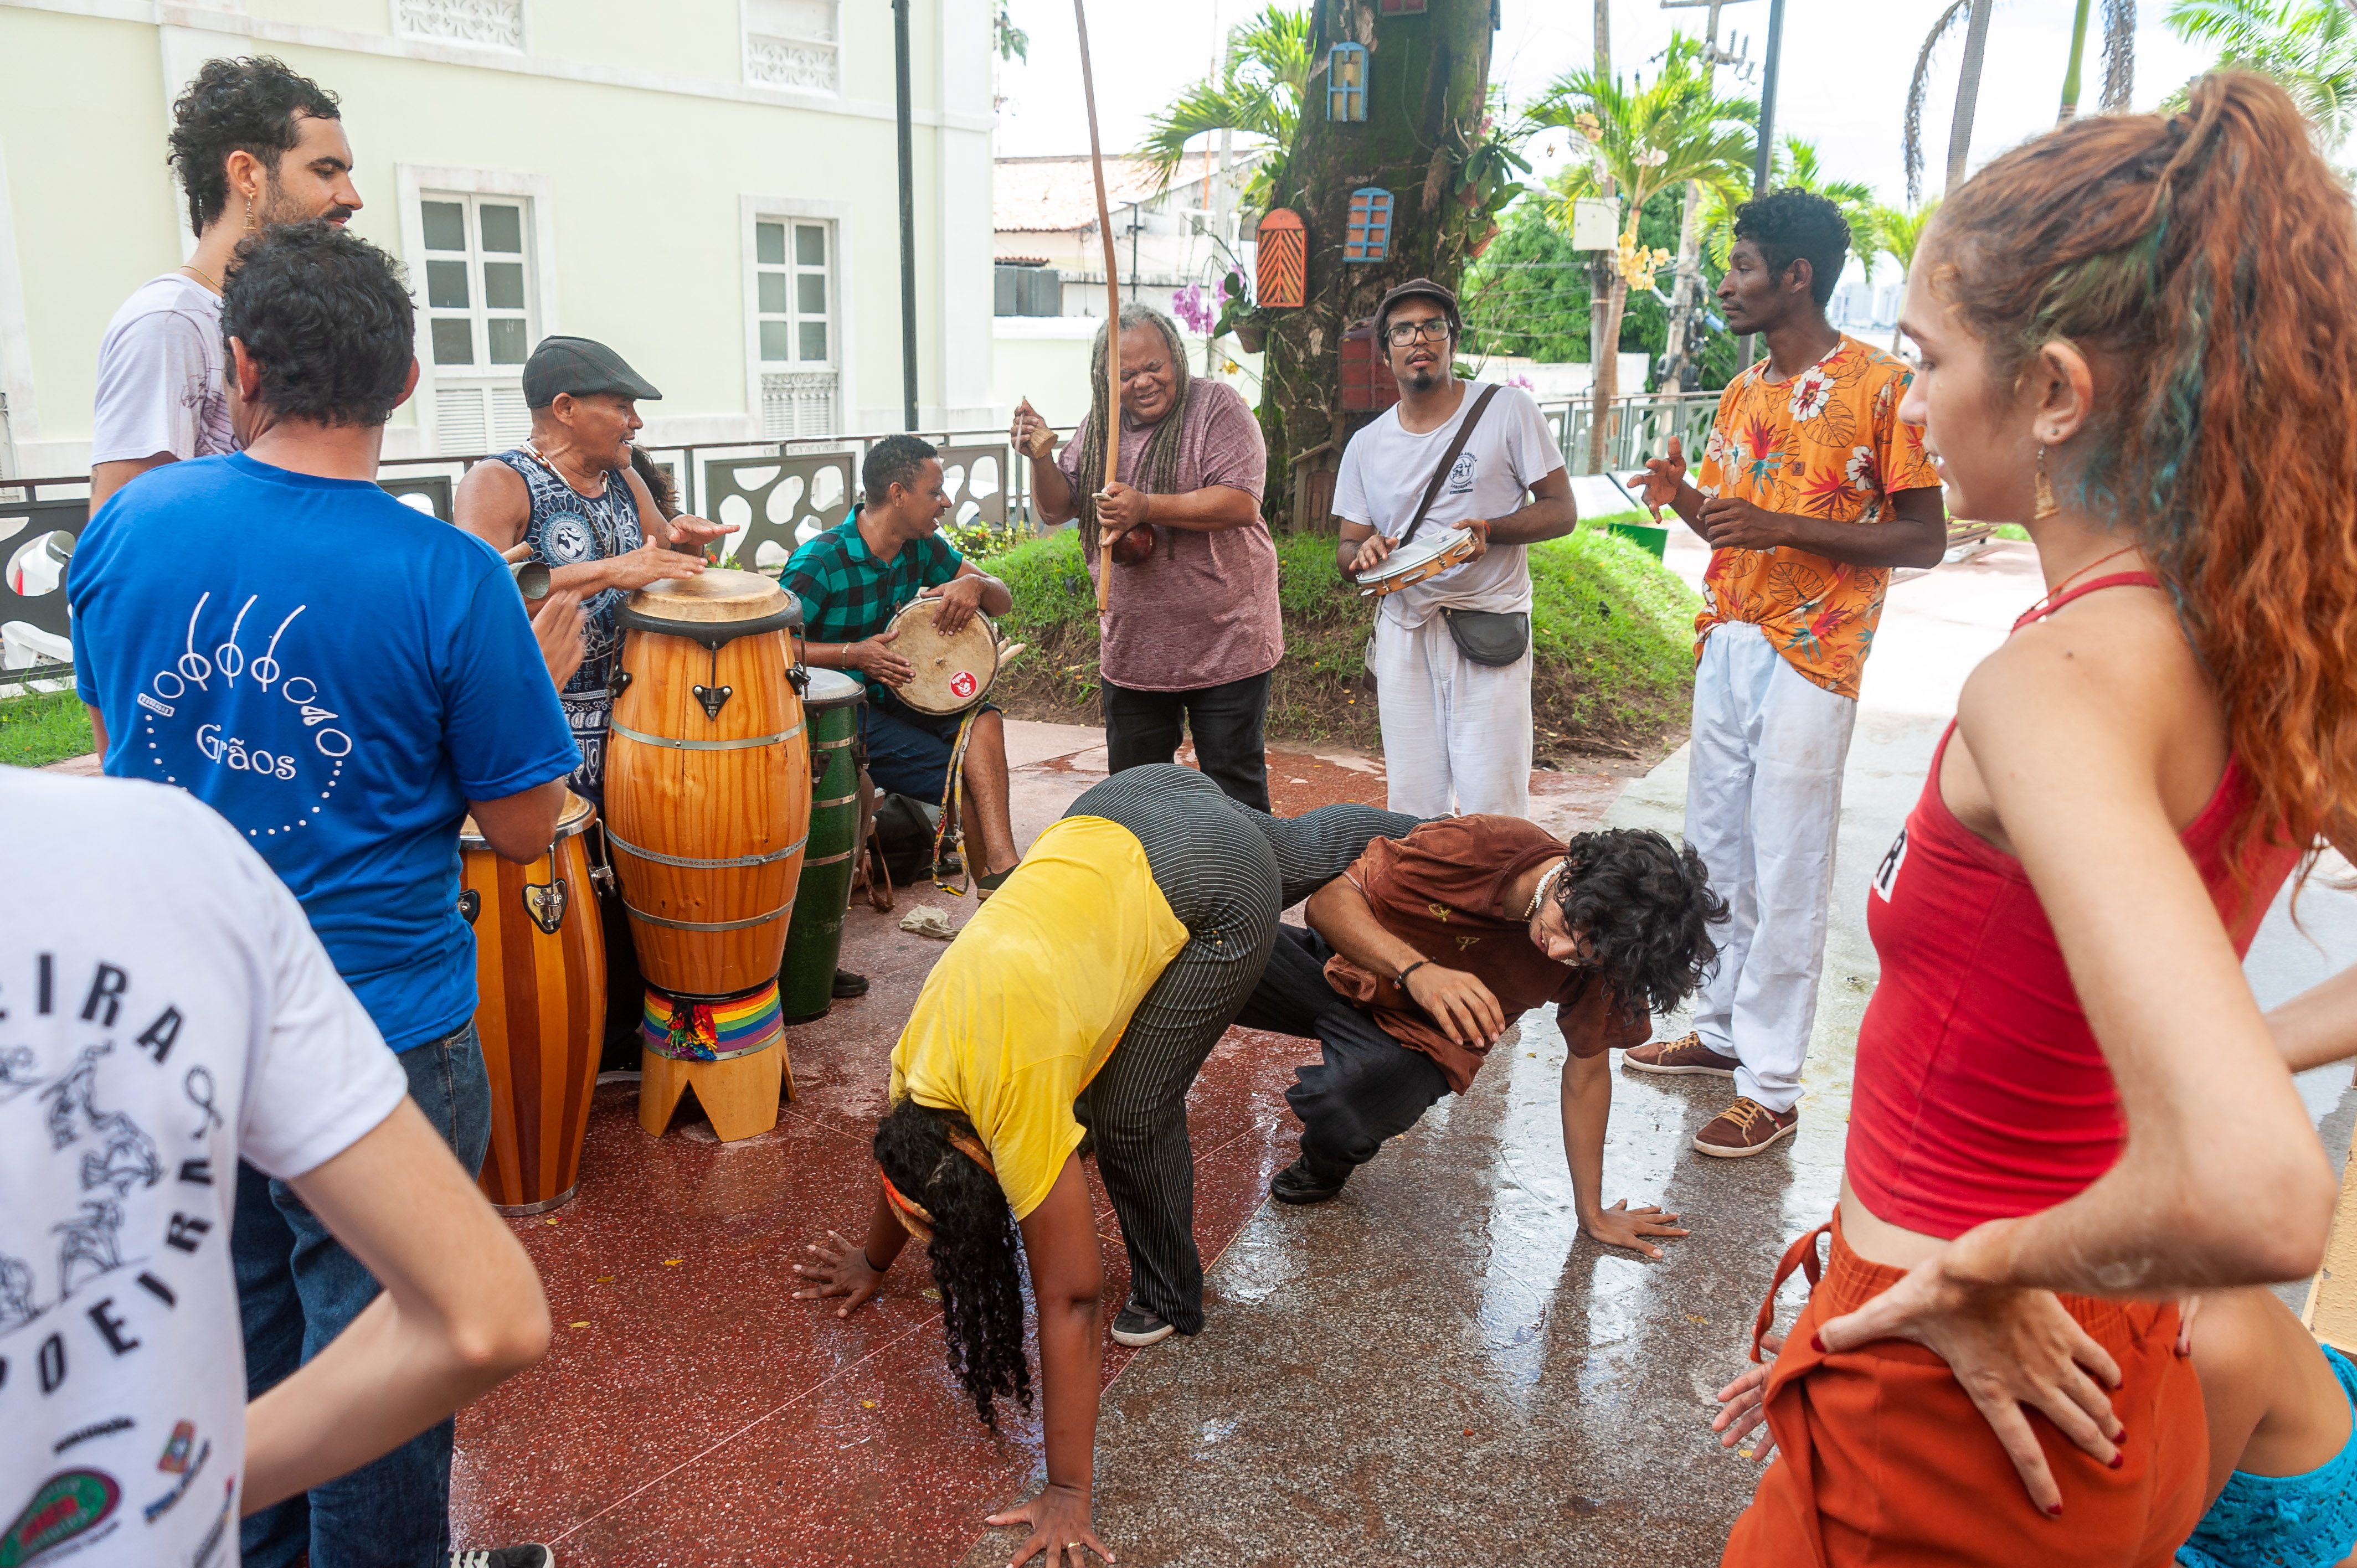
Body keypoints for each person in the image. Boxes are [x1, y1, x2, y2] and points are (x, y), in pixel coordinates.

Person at [1707, 74, 2357, 1566]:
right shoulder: (2259, 641)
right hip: (2086, 1350)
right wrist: (2240, 1049)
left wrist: (1983, 1265)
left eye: (1928, 358)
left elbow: (2260, 1192)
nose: (1913, 398)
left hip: (1955, 1400)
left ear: (2055, 391)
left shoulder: (2057, 686)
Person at [65, 221, 581, 1568]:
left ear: (242, 367)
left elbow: (124, 742)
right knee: (383, 1366)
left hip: (178, 1021)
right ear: (406, 381)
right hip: (381, 1032)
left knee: (235, 1342)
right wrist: (528, 672)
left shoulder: (128, 531)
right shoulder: (452, 576)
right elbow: (526, 828)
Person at [790, 765, 1411, 1567]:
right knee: (1301, 842)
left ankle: (1172, 1292)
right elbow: (910, 1169)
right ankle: (1455, 835)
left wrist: (1066, 1490)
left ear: (995, 1167)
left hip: (1214, 884)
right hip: (1127, 804)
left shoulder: (1015, 1108)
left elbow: (1074, 1299)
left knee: (1129, 1111)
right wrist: (873, 1262)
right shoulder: (918, 1063)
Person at [0, 766, 554, 1567]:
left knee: (250, 1299)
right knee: (333, 1313)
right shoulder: (158, 848)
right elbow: (525, 830)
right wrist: (161, 1500)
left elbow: (116, 747)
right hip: (376, 1013)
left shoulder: (152, 822)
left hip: (282, 1016)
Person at [1626, 191, 1946, 1159]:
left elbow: (1923, 539)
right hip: (1728, 637)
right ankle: (1722, 1032)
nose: (1725, 284)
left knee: (1790, 861)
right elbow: (1737, 527)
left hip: (1817, 649)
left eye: (1743, 266)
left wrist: (1782, 527)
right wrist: (1684, 497)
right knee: (1718, 851)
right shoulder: (1742, 391)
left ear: (1796, 277)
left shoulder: (1882, 386)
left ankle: (1771, 1086)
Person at [1234, 818, 1726, 1257]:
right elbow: (1327, 903)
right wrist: (1417, 971)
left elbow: (1588, 1074)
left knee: (1350, 1105)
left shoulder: (1615, 957)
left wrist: (1591, 1213)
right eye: (1565, 927)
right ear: (1573, 875)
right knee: (1210, 942)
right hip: (1339, 961)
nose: (1557, 951)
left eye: (1581, 956)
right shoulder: (1483, 846)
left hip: (1424, 1037)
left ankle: (1325, 1164)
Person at [1017, 301, 1281, 810]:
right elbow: (1057, 508)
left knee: (1235, 788)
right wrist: (1042, 456)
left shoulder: (1218, 408)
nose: (1142, 382)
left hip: (1226, 642)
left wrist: (1146, 507)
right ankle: (1155, 867)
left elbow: (1240, 503)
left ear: (1176, 356)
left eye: (1154, 366)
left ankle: (1245, 867)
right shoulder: (1101, 425)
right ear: (1105, 379)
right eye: (1125, 375)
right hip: (1135, 649)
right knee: (1136, 797)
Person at [454, 338, 734, 806]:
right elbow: (480, 599)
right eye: (623, 407)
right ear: (565, 408)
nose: (636, 422)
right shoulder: (498, 481)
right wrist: (611, 571)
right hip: (551, 730)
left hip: (642, 718)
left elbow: (662, 559)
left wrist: (689, 540)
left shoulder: (623, 477)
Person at [1334, 278, 1576, 820]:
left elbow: (1562, 510)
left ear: (1453, 340)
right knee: (1413, 810)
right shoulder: (1366, 446)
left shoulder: (1507, 411)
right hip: (1404, 634)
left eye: (1432, 326)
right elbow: (1347, 550)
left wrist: (1491, 530)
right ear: (1385, 353)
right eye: (1402, 330)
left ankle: (1499, 881)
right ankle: (1426, 879)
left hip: (1488, 627)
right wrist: (1364, 553)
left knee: (1494, 807)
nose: (1419, 339)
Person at [89, 56, 360, 514]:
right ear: (247, 174)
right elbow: (124, 529)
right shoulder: (169, 322)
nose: (352, 197)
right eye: (325, 171)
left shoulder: (294, 311)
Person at [785, 435, 1022, 895]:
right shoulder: (819, 561)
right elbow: (767, 647)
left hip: (895, 694)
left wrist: (976, 585)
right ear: (898, 494)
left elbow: (1003, 600)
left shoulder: (922, 547)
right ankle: (1001, 889)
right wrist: (851, 655)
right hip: (837, 716)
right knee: (966, 777)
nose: (946, 502)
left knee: (984, 719)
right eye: (935, 492)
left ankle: (1002, 869)